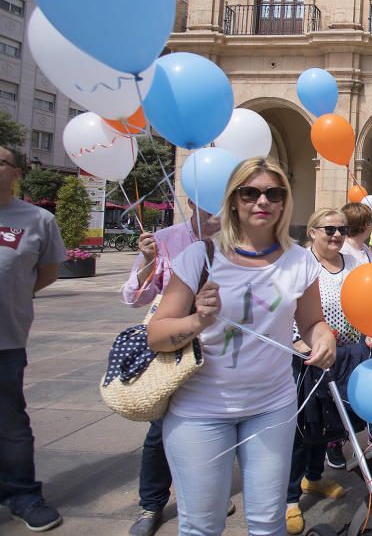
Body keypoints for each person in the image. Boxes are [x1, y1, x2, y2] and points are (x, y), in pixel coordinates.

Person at [147, 157, 337, 535]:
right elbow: (157, 333)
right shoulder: (201, 256)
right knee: (202, 526)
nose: (261, 201)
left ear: (284, 202)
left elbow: (312, 322)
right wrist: (197, 321)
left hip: (271, 407)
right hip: (200, 409)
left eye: (273, 193)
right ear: (234, 200)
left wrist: (324, 337)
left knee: (269, 524)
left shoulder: (300, 262)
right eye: (250, 193)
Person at [121, 199, 225, 536]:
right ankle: (151, 504)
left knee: (215, 425)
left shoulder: (234, 240)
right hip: (174, 345)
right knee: (159, 430)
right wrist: (148, 262)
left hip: (219, 349)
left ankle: (207, 496)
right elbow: (134, 296)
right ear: (193, 203)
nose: (218, 213)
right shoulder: (165, 238)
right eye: (210, 205)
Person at [284, 207, 362, 535]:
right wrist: (302, 345)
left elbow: (365, 300)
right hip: (306, 357)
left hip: (344, 356)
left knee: (329, 424)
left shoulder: (354, 263)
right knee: (303, 429)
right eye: (329, 229)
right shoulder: (300, 263)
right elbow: (287, 310)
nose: (337, 235)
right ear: (312, 231)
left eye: (342, 230)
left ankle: (314, 479)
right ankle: (289, 499)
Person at [0, 146, 65, 532]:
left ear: (16, 173)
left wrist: (15, 295)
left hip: (6, 340)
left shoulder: (37, 220)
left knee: (10, 422)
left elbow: (47, 273)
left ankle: (23, 493)